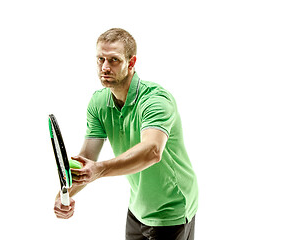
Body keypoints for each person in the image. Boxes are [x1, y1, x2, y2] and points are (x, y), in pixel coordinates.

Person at [54, 28, 198, 240]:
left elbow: (152, 151)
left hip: (171, 210)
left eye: (114, 60)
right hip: (138, 207)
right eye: (100, 59)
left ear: (131, 63)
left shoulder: (155, 100)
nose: (105, 67)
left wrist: (100, 170)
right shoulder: (99, 102)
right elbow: (87, 161)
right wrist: (63, 196)